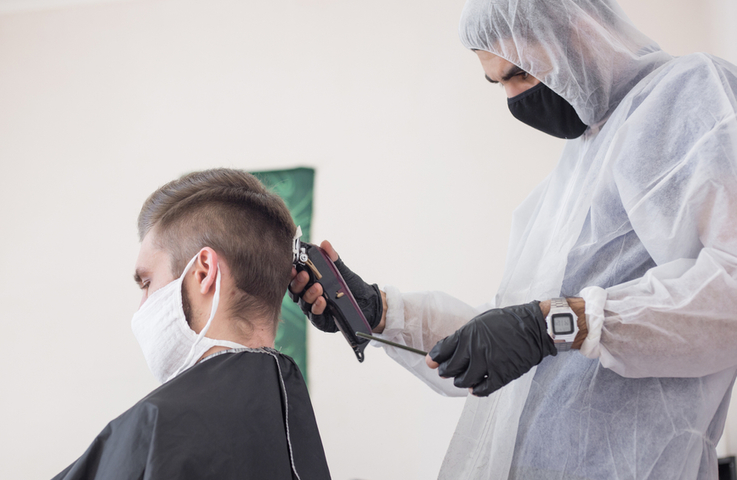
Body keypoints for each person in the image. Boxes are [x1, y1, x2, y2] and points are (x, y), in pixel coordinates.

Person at [291, 0, 737, 478]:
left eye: (520, 73)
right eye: (498, 83)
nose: (513, 97)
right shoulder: (570, 176)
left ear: (578, 30)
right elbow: (507, 345)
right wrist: (380, 313)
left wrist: (552, 324)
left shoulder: (689, 94)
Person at [54, 168, 331, 480]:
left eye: (146, 282)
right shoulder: (294, 429)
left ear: (203, 272)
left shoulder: (155, 428)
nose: (142, 308)